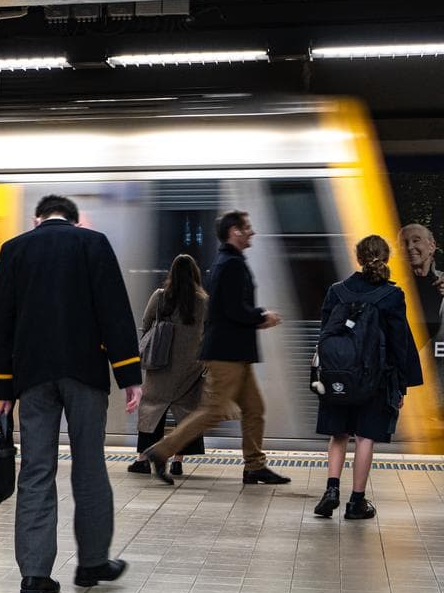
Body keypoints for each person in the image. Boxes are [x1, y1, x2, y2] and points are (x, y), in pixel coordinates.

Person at [0, 195, 137, 593]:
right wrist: (129, 375)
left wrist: (3, 386)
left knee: (36, 469)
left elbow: (0, 321)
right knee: (89, 465)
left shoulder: (14, 249)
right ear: (74, 220)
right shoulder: (94, 243)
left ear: (37, 219)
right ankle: (92, 563)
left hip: (32, 377)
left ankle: (35, 575)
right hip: (85, 374)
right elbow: (115, 311)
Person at [143, 211, 289, 485]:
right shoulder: (229, 264)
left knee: (254, 408)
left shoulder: (232, 261)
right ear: (235, 231)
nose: (252, 232)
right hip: (226, 354)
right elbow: (232, 309)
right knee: (213, 410)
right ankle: (160, 451)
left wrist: (256, 318)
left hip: (236, 353)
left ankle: (255, 466)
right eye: (248, 227)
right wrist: (261, 316)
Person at [313, 235, 422, 520]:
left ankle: (331, 490)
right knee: (364, 438)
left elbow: (325, 334)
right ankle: (356, 502)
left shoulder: (336, 291)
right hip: (375, 379)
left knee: (339, 435)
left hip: (338, 376)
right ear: (386, 258)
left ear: (359, 258)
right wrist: (400, 387)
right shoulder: (391, 295)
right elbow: (399, 344)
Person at [127, 255, 208, 484]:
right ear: (195, 274)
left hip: (161, 363)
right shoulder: (203, 301)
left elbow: (146, 322)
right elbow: (208, 329)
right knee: (188, 412)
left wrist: (151, 345)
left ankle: (143, 459)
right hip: (191, 366)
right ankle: (178, 461)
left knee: (152, 409)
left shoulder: (161, 296)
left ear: (171, 274)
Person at [398, 223, 443, 342]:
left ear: (432, 246)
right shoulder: (390, 286)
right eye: (404, 243)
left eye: (416, 240)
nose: (409, 247)